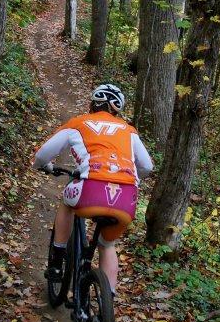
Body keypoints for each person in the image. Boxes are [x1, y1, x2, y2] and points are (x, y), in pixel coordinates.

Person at [32, 83, 154, 294]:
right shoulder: (129, 131)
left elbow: (43, 154)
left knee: (67, 203)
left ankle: (57, 262)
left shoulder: (78, 123)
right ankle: (106, 305)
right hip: (126, 199)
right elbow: (147, 167)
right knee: (107, 244)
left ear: (93, 103)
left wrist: (42, 165)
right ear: (117, 109)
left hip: (91, 188)